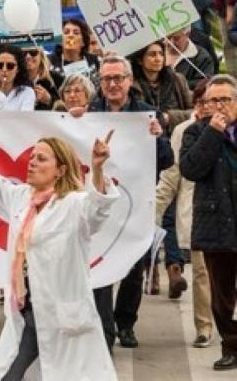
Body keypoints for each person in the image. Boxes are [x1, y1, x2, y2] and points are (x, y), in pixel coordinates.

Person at [0, 108, 118, 380]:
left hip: (63, 315)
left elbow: (97, 208)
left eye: (41, 159)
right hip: (27, 310)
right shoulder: (21, 198)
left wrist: (98, 168)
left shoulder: (73, 204)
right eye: (32, 157)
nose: (32, 163)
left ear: (61, 170)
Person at [74, 54, 172, 350]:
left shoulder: (146, 114)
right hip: (99, 202)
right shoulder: (89, 113)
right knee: (99, 264)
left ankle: (126, 322)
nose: (112, 84)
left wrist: (158, 137)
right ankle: (104, 330)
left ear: (130, 81)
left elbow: (166, 160)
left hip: (135, 205)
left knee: (133, 266)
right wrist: (72, 119)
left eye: (118, 78)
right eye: (106, 79)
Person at [180, 74, 237, 370]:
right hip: (216, 222)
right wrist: (213, 133)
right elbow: (191, 169)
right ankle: (231, 345)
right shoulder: (196, 132)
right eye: (213, 100)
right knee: (222, 294)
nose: (219, 105)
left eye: (225, 99)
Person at [157, 80, 210, 344]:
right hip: (198, 211)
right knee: (201, 272)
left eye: (214, 101)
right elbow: (171, 176)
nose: (206, 107)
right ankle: (204, 326)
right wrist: (154, 211)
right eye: (201, 102)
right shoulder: (184, 131)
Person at [167, 26, 214, 90]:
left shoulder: (202, 57)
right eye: (168, 38)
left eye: (176, 38)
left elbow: (204, 83)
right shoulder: (157, 50)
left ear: (187, 34)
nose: (171, 43)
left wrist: (177, 83)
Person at [0, 44, 36, 111]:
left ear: (18, 69)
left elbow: (25, 116)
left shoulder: (27, 92)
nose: (4, 69)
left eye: (10, 66)